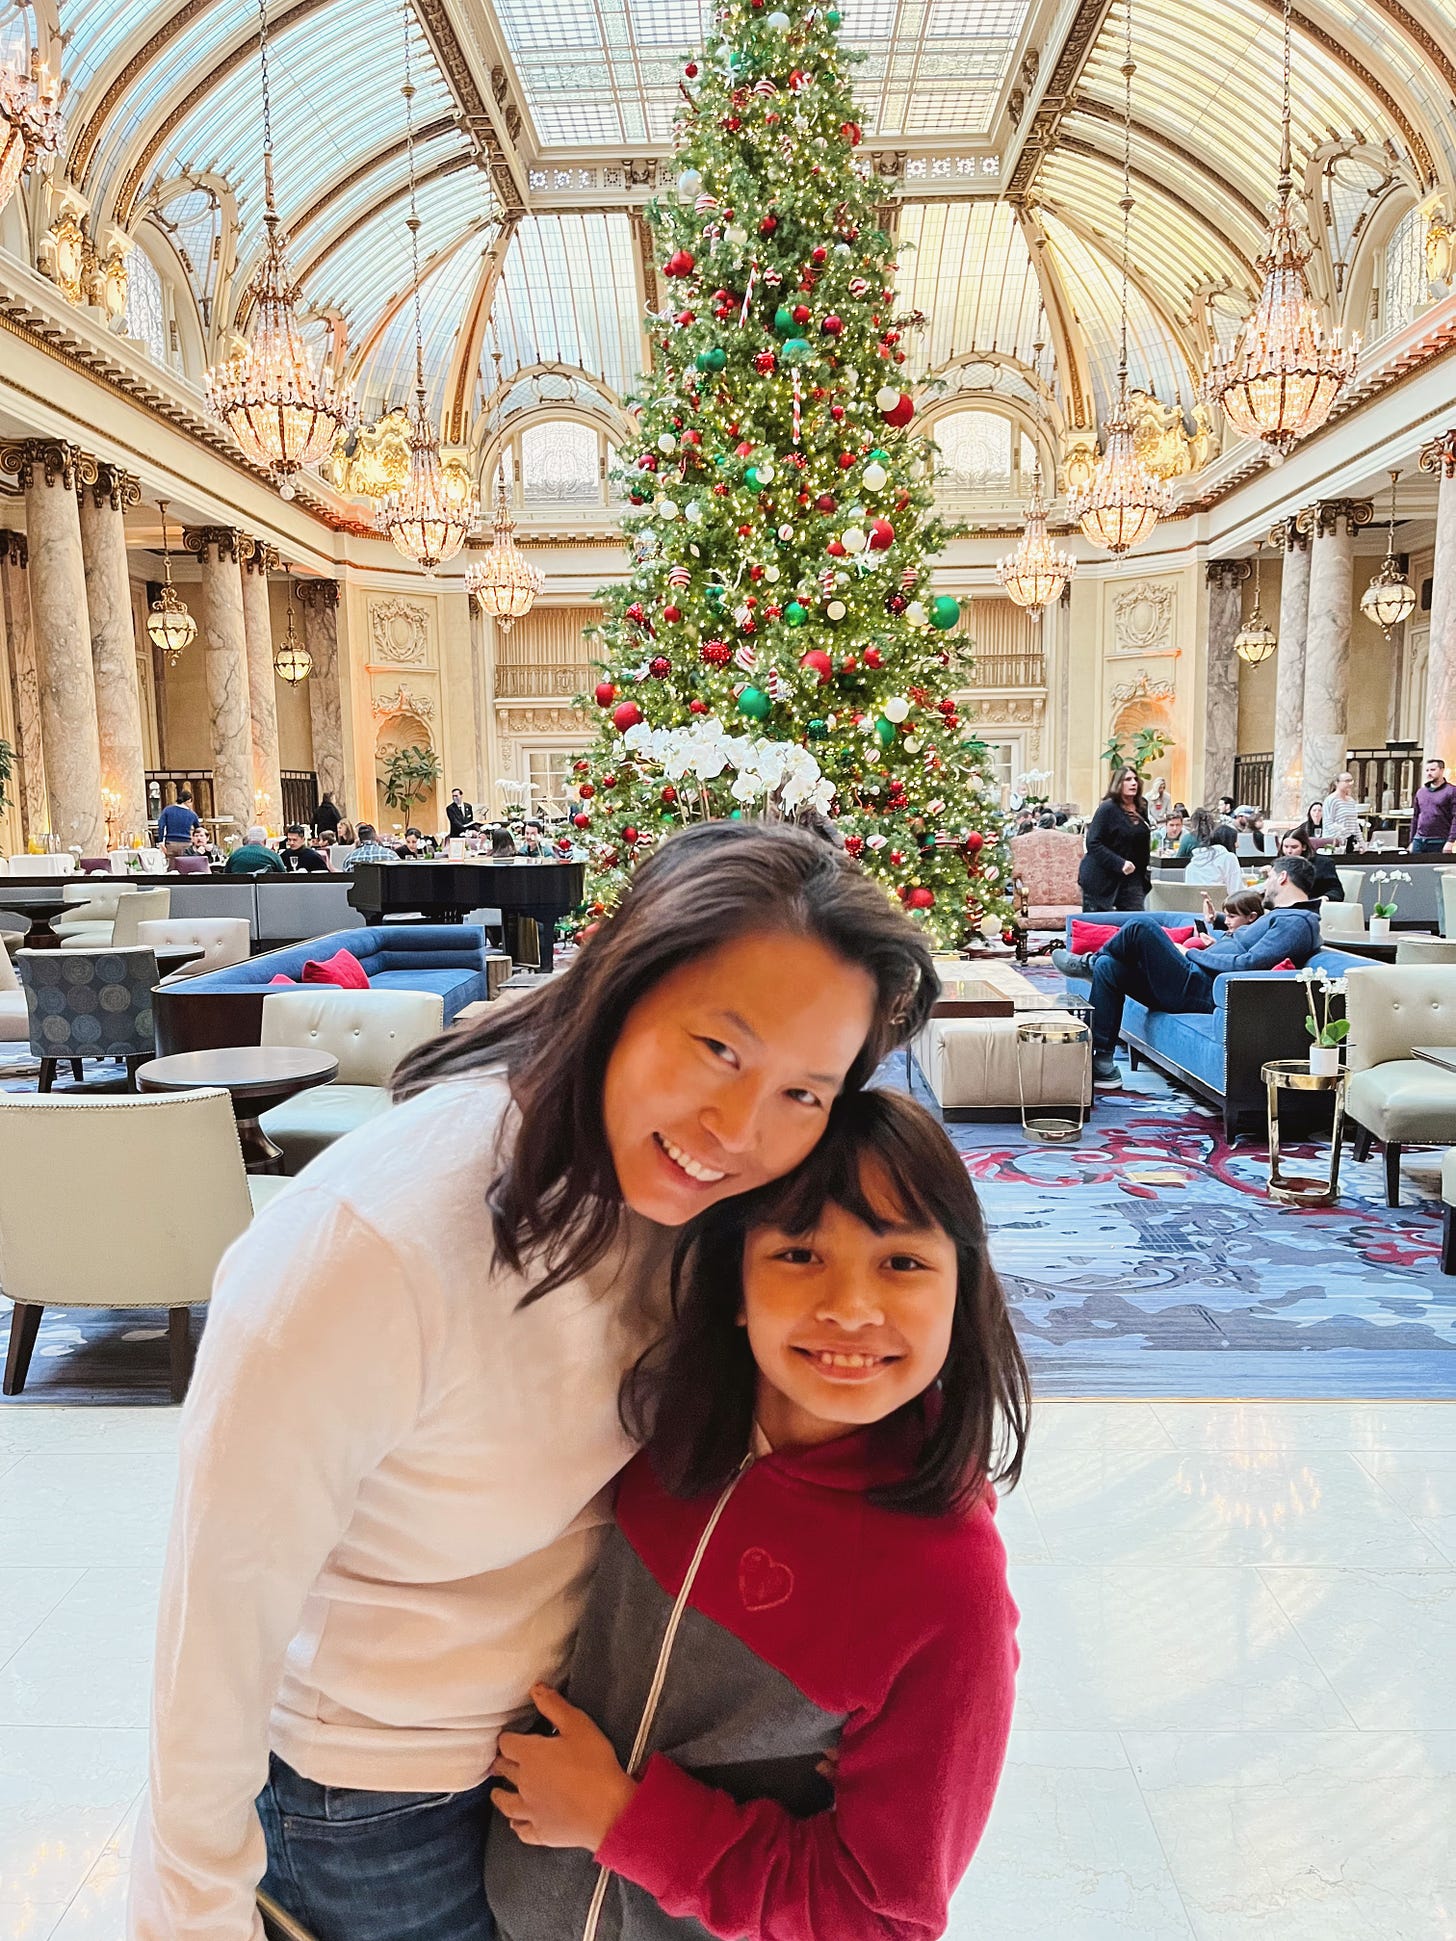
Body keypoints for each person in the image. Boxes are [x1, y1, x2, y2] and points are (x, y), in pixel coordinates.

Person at [128, 822, 939, 1941]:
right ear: (621, 979)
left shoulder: (701, 1207)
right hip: (373, 1801)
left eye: (805, 1093)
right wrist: (190, 1918)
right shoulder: (376, 1245)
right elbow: (212, 1628)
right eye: (718, 1048)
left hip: (568, 1764)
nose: (737, 1130)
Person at [484, 1087, 1026, 1941]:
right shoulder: (664, 1430)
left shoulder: (946, 1585)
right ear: (736, 1283)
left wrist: (623, 1820)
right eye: (801, 1253)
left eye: (903, 1262)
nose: (850, 1306)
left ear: (962, 1292)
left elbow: (883, 1917)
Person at [1053, 856, 1320, 1086]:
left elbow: (1249, 964)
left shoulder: (1297, 922)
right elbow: (1244, 941)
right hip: (1194, 979)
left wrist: (1191, 953)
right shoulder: (1284, 917)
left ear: (1283, 877)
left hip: (1200, 986)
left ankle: (1085, 963)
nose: (1267, 881)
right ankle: (1102, 1062)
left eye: (1271, 875)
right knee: (1109, 967)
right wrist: (1214, 922)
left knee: (1139, 928)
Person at [1077, 766, 1151, 912]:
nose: (1133, 783)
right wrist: (1120, 863)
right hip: (1101, 878)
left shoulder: (1141, 807)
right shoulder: (1107, 809)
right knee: (1100, 927)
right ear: (1118, 783)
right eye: (1128, 779)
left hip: (1132, 878)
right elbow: (1093, 843)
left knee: (1135, 923)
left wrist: (1144, 877)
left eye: (1135, 779)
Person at [1180, 810, 1244, 896]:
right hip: (1221, 908)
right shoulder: (1228, 859)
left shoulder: (1190, 868)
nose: (1238, 845)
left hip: (1195, 909)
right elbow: (1236, 894)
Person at [1272, 828, 1343, 901]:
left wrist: (1325, 898)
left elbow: (1336, 891)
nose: (1289, 851)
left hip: (1312, 905)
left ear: (1304, 847)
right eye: (1286, 847)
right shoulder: (1280, 864)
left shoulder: (1323, 863)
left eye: (1294, 847)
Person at [1411, 756, 1456, 854]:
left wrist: (1451, 841)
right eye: (1427, 770)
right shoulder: (1421, 792)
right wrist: (1412, 840)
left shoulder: (1451, 791)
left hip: (1439, 840)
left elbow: (1455, 817)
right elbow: (1415, 817)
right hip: (1419, 840)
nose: (1429, 773)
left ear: (1442, 770)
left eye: (1433, 770)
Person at [1322, 773, 1366, 852]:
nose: (1349, 784)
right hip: (1334, 841)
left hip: (1349, 840)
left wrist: (1361, 841)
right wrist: (1341, 836)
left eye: (1351, 781)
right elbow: (1328, 822)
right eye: (1347, 781)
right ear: (1337, 783)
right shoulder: (1331, 800)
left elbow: (1354, 823)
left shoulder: (1351, 801)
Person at [156, 788, 201, 859]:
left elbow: (161, 826)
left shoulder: (167, 810)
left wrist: (161, 841)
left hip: (171, 843)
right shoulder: (192, 814)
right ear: (188, 800)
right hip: (186, 843)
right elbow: (198, 830)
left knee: (171, 866)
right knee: (186, 865)